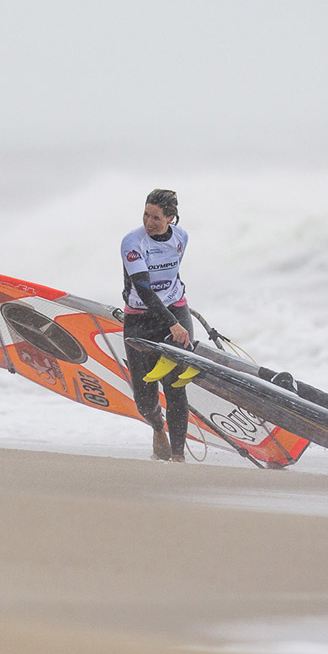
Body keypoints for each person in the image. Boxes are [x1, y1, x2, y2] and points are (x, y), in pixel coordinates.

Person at [120, 188, 193, 462]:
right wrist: (172, 324)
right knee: (144, 400)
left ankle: (178, 456)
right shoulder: (132, 242)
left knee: (175, 385)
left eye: (157, 218)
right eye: (146, 215)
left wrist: (177, 317)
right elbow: (145, 290)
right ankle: (156, 425)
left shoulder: (182, 238)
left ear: (171, 218)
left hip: (175, 309)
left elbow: (172, 273)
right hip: (140, 318)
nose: (149, 222)